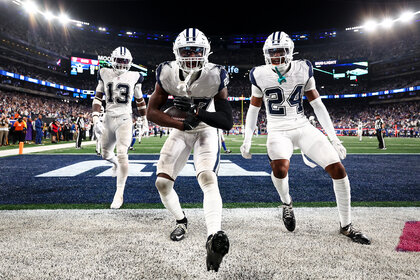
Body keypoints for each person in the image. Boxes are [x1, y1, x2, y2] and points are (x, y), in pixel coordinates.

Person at [241, 31, 370, 245]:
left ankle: (346, 226)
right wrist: (248, 139)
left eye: (281, 51)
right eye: (272, 52)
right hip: (278, 129)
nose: (276, 56)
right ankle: (287, 204)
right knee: (280, 168)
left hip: (302, 125)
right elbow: (253, 110)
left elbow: (317, 105)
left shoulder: (303, 68)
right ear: (266, 54)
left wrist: (334, 138)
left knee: (338, 169)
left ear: (290, 52)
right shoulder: (260, 74)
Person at [146, 28, 232, 272]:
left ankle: (213, 237)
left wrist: (197, 113)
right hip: (181, 129)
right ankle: (181, 220)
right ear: (177, 53)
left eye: (197, 50)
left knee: (207, 177)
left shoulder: (215, 75)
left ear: (206, 53)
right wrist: (180, 123)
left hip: (206, 128)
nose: (192, 55)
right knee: (162, 184)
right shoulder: (166, 73)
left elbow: (226, 121)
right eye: (186, 50)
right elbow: (151, 112)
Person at [92, 46, 147, 209]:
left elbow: (140, 100)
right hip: (108, 117)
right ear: (112, 60)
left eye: (125, 61)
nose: (122, 64)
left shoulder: (135, 76)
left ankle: (119, 193)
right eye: (119, 60)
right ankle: (114, 164)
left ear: (130, 62)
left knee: (123, 153)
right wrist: (95, 118)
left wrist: (144, 119)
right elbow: (97, 97)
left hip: (125, 118)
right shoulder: (103, 73)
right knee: (105, 155)